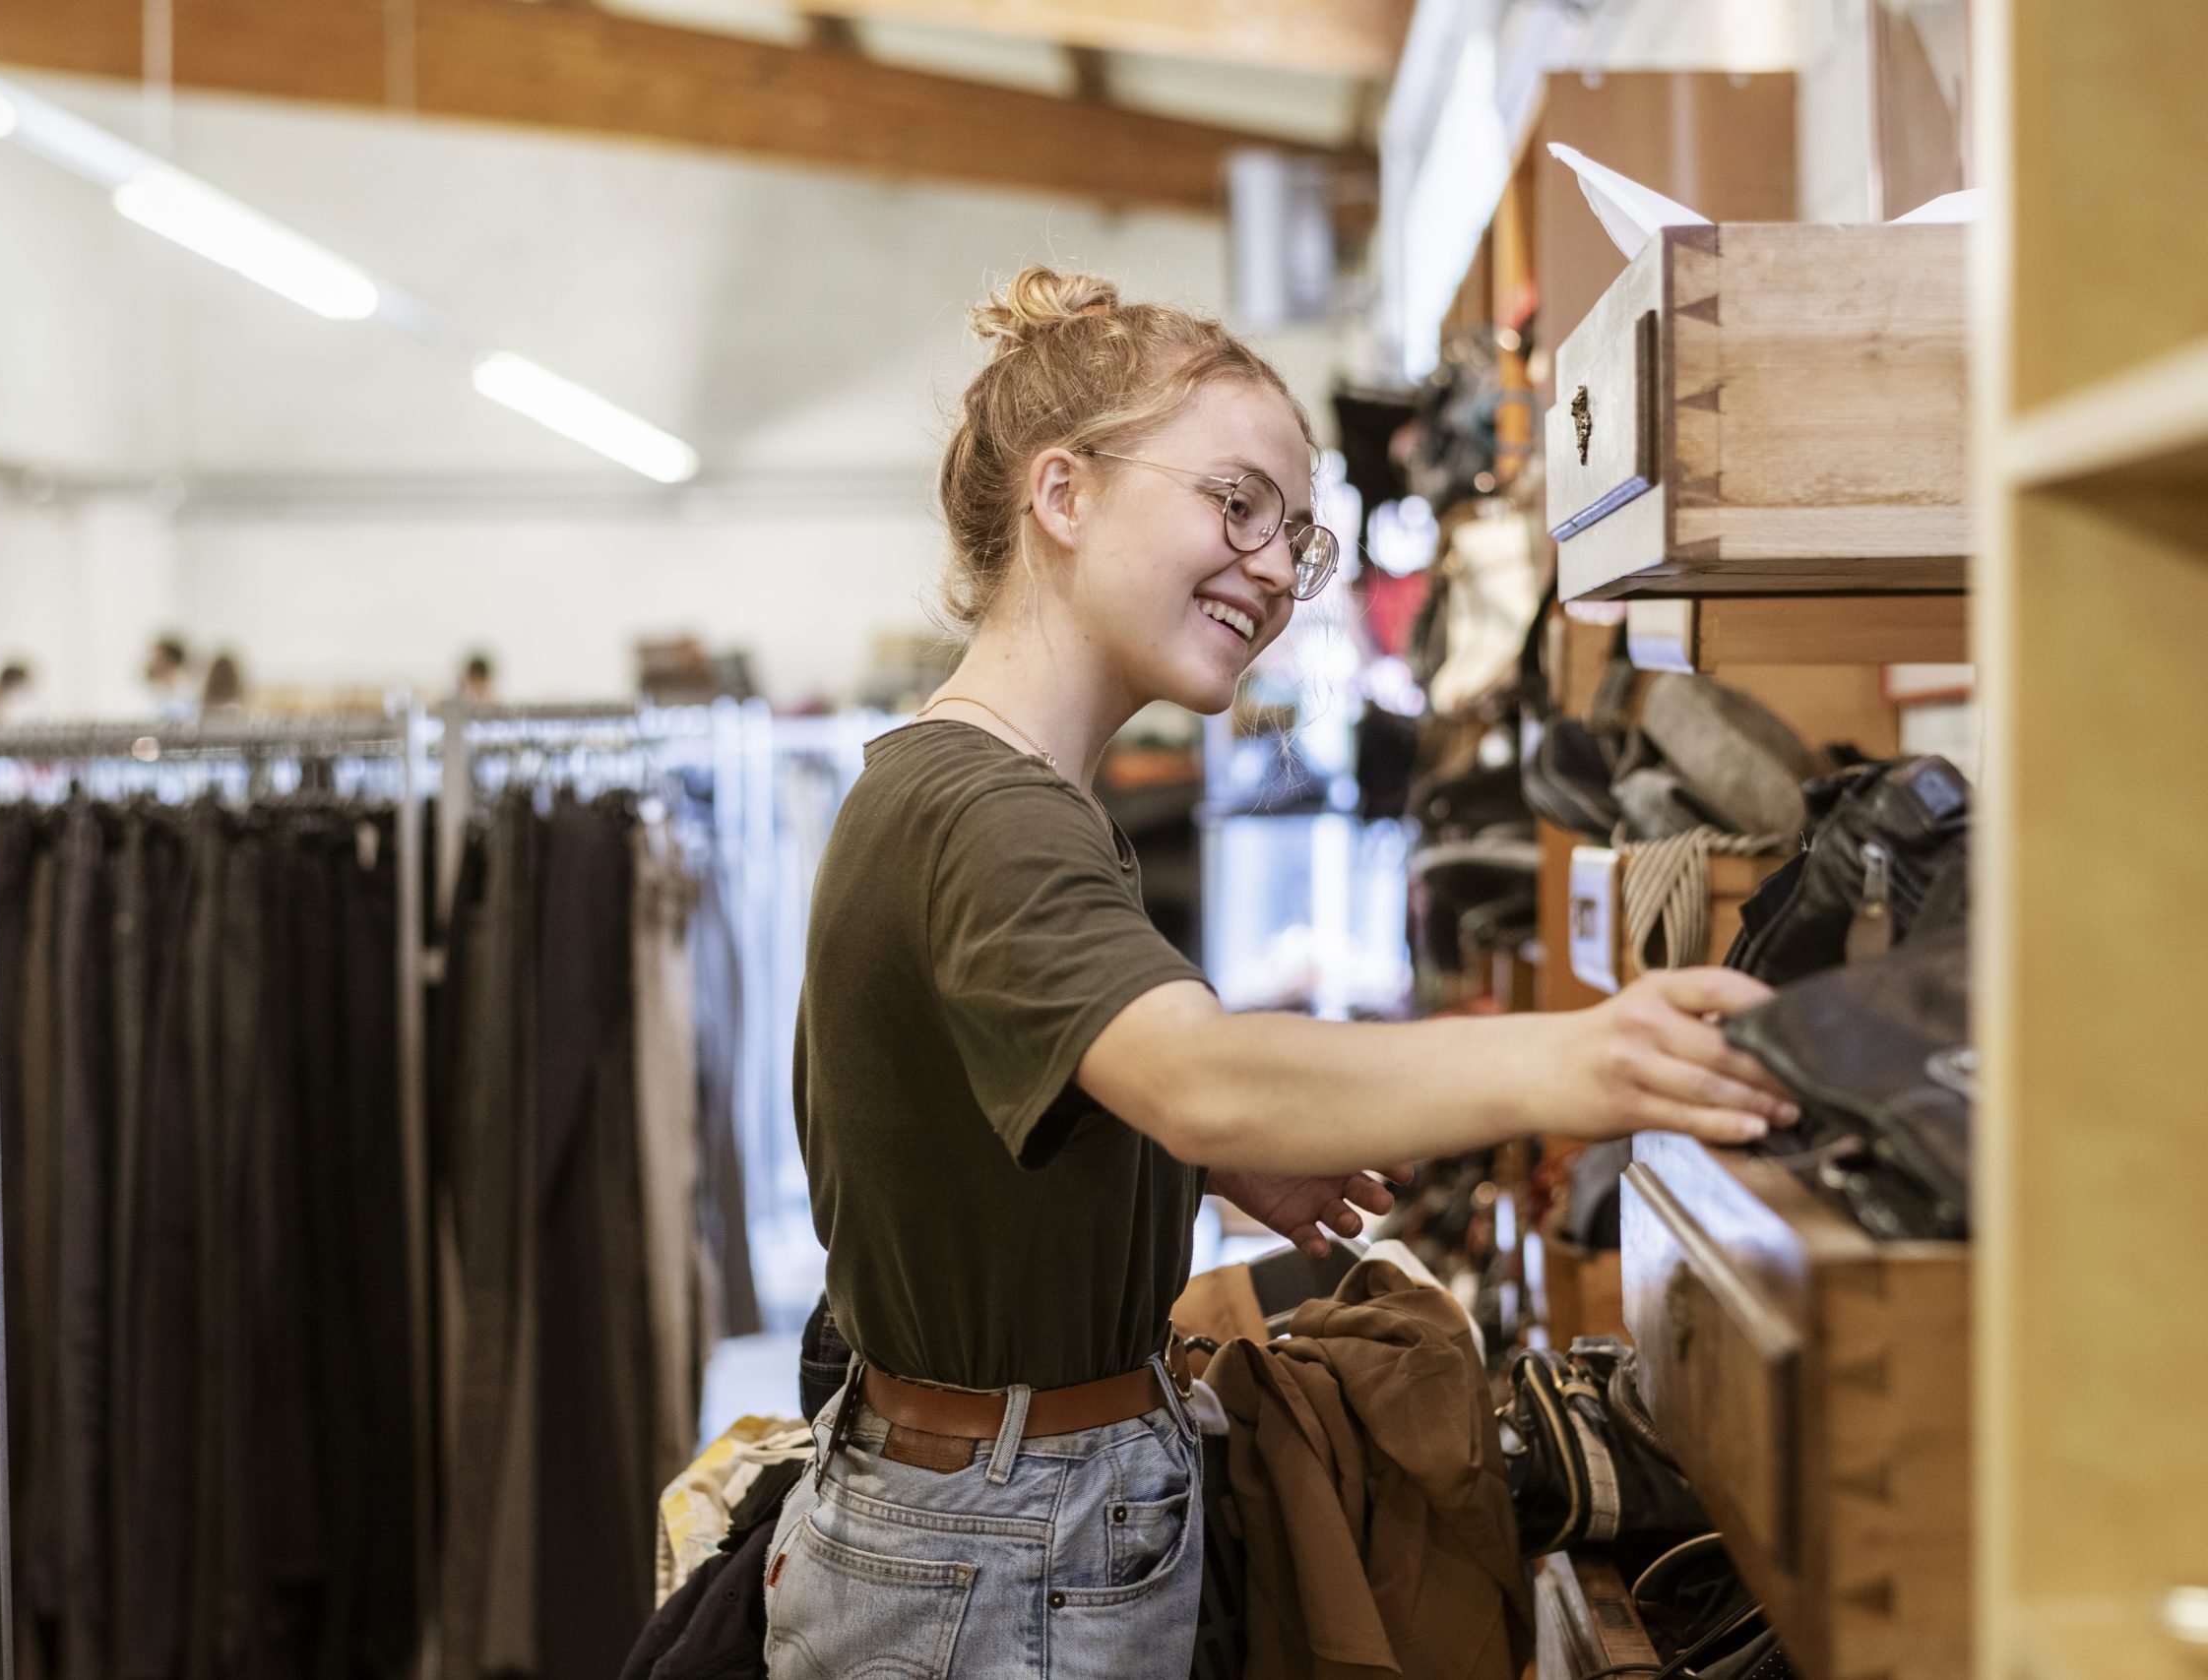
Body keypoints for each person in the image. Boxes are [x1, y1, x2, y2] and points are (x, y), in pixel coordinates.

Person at [767, 269, 1794, 1679]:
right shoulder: (988, 810)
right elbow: (1197, 1072)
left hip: (1003, 1521)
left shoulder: (997, 790)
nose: (1270, 567)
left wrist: (1160, 1173)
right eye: (1235, 502)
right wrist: (1595, 1054)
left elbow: (947, 1120)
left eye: (1297, 537)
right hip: (998, 1556)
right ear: (1061, 495)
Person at [144, 635, 195, 719]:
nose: (152, 664)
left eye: (157, 659)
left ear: (170, 660)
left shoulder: (189, 688)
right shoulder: (154, 689)